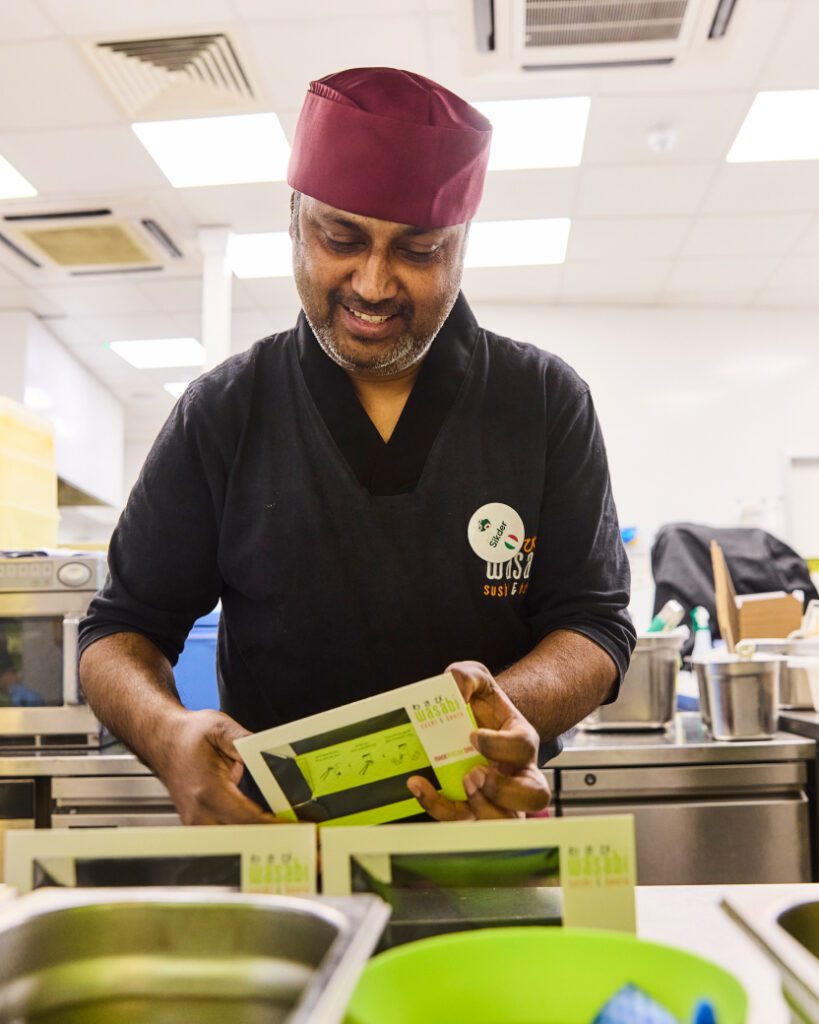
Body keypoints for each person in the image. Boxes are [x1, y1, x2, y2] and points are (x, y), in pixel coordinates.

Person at [79, 67, 635, 826]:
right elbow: (119, 630)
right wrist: (168, 733)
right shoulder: (226, 411)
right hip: (281, 840)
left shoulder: (541, 401)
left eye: (418, 249)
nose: (372, 284)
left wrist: (506, 715)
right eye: (339, 238)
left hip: (487, 822)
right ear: (294, 223)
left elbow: (593, 622)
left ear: (461, 246)